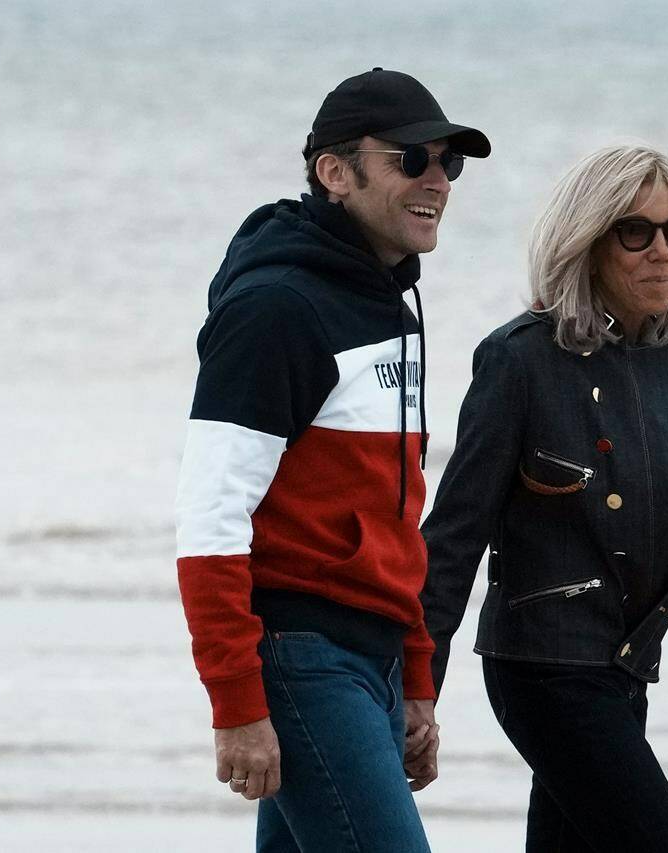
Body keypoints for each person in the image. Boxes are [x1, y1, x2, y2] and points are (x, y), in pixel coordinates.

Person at [420, 145, 668, 851]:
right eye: (634, 231)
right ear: (586, 241)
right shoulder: (521, 360)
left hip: (621, 674)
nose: (662, 252)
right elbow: (453, 536)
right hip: (542, 671)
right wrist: (414, 687)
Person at [174, 68, 489, 851]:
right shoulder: (276, 310)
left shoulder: (389, 305)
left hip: (371, 660)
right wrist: (237, 703)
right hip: (300, 659)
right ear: (335, 173)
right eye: (411, 160)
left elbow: (397, 516)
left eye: (448, 163)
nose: (437, 181)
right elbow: (210, 520)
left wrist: (415, 674)